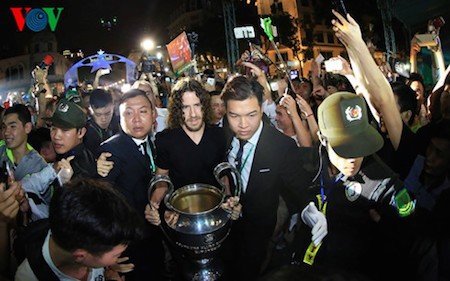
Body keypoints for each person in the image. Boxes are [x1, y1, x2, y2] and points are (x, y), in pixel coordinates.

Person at [220, 75, 315, 281]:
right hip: (225, 231)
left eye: (251, 115)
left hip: (259, 230)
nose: (243, 124)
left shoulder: (281, 147)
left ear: (262, 109)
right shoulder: (224, 133)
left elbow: (299, 187)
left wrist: (310, 209)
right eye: (234, 116)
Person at [15, 178, 144, 281]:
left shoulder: (72, 231)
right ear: (80, 256)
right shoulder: (28, 277)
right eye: (116, 255)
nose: (118, 258)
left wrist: (106, 269)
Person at [97, 89, 165, 281]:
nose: (136, 119)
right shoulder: (110, 151)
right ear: (120, 118)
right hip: (126, 248)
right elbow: (103, 207)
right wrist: (107, 256)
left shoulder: (153, 143)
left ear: (153, 115)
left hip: (152, 239)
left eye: (142, 111)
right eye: (128, 112)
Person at [46, 97, 97, 179]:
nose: (56, 136)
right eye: (53, 128)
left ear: (81, 132)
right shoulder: (67, 157)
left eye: (65, 130)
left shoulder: (79, 169)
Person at [84, 88, 117, 154]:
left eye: (107, 113)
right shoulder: (86, 134)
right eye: (98, 114)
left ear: (113, 107)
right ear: (90, 109)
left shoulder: (121, 124)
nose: (103, 119)